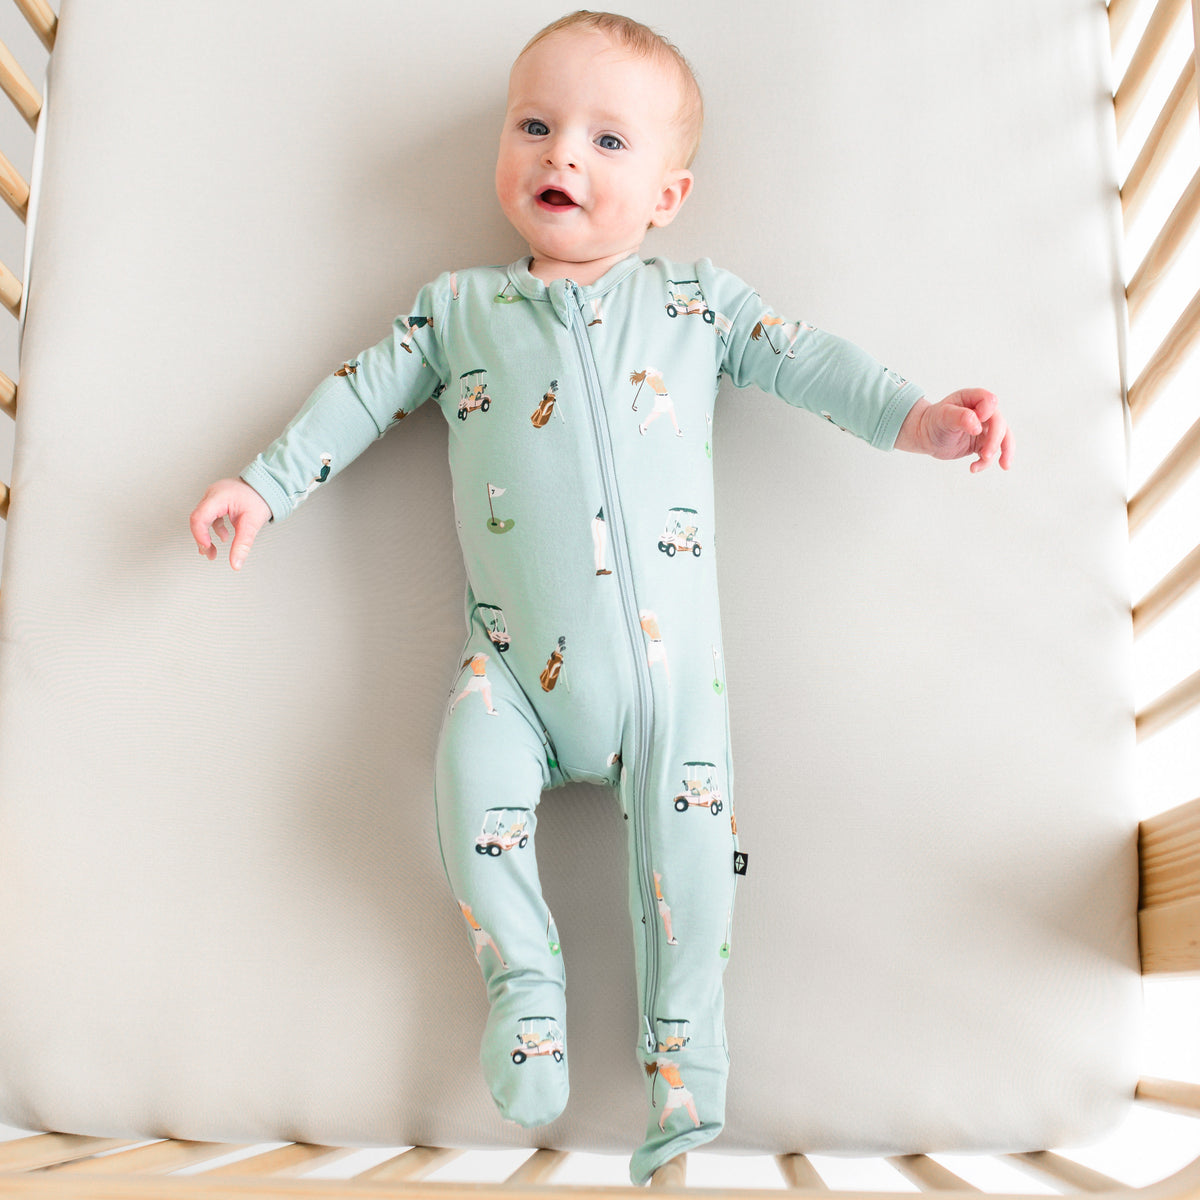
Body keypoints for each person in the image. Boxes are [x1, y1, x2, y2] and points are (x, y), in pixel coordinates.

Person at [189, 9, 1012, 1184]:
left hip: (674, 693)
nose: (560, 155)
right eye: (535, 125)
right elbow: (359, 395)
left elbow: (810, 357)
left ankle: (687, 1074)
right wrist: (263, 485)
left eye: (606, 141)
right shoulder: (457, 311)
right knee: (464, 793)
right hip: (513, 674)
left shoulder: (695, 304)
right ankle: (524, 979)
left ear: (670, 197)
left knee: (693, 880)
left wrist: (922, 418)